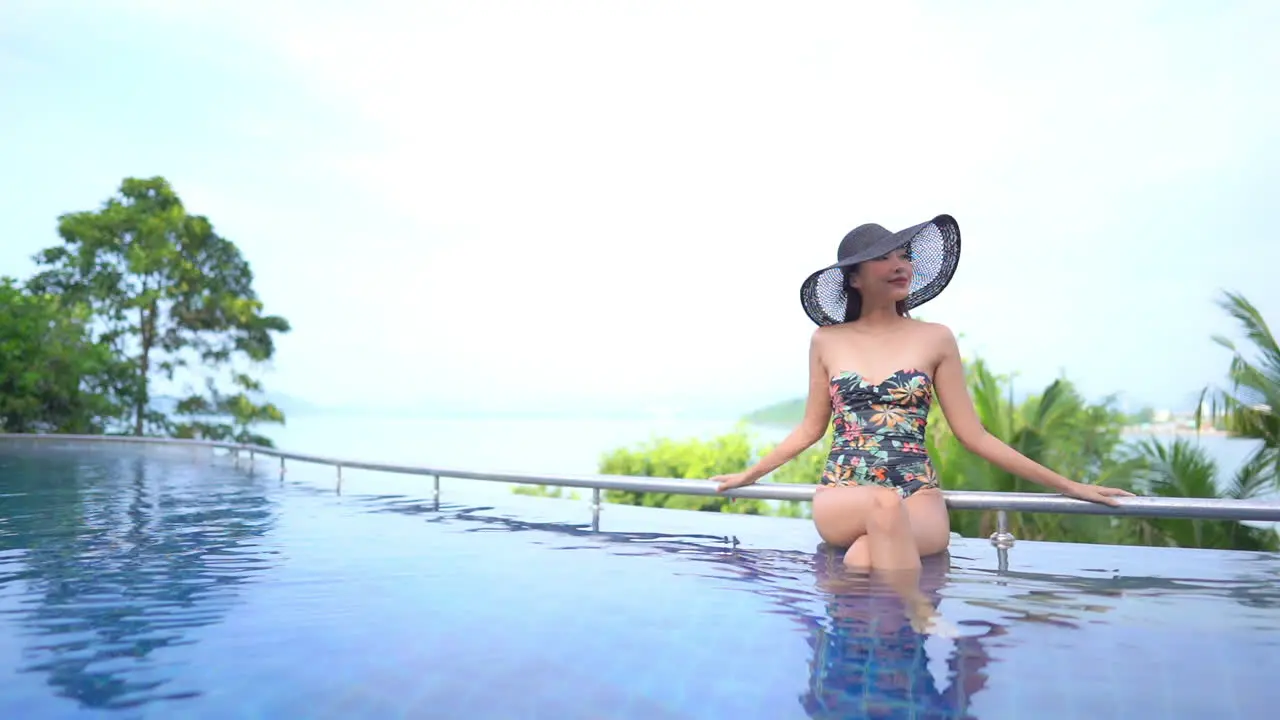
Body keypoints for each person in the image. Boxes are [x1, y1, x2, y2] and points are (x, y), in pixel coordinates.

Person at [712, 214, 1133, 573]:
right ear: (854, 278)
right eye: (883, 258)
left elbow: (975, 436)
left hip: (918, 497)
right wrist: (746, 477)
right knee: (881, 506)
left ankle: (870, 652)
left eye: (904, 256)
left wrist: (1071, 487)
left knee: (863, 558)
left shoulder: (936, 338)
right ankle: (920, 625)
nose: (900, 265)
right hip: (843, 496)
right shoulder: (826, 340)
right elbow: (808, 429)